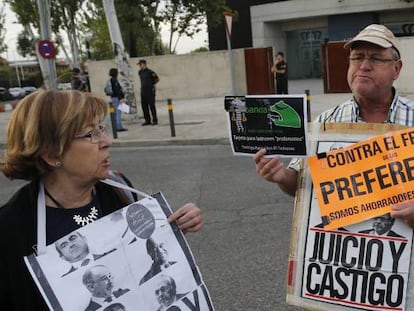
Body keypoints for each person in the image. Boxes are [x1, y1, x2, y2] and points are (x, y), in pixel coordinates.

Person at [0, 90, 204, 310]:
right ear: (51, 154)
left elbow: (139, 263)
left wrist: (172, 230)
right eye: (91, 134)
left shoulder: (119, 187)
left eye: (101, 129)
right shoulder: (11, 228)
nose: (107, 141)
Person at [254, 24, 414, 227]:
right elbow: (299, 183)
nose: (364, 66)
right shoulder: (325, 124)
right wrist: (281, 176)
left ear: (396, 69)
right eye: (357, 57)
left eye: (375, 57)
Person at [137, 59, 159, 126]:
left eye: (140, 64)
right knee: (144, 107)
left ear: (144, 64)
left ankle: (154, 120)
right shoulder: (140, 72)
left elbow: (157, 79)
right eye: (139, 65)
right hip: (143, 91)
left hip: (150, 91)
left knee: (152, 106)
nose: (139, 66)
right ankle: (147, 120)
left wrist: (151, 84)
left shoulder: (150, 72)